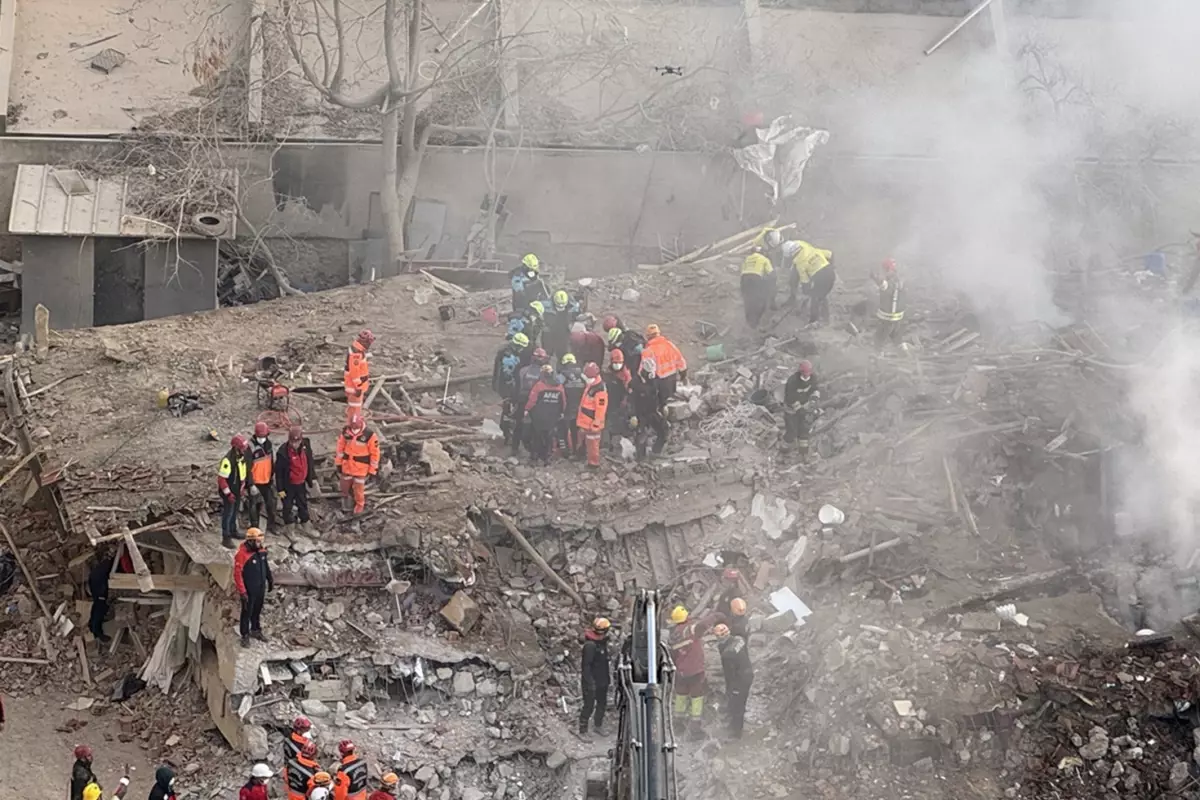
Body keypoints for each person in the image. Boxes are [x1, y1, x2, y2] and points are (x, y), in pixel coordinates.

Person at [667, 605, 721, 733]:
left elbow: (672, 655)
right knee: (697, 696)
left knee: (681, 695)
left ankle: (678, 724)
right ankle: (694, 727)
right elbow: (702, 625)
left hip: (680, 671)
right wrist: (716, 616)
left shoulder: (673, 634)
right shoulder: (689, 630)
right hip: (695, 670)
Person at [234, 527, 273, 647]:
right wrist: (242, 592)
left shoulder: (261, 552)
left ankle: (256, 630)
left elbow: (265, 566)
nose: (259, 543)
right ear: (250, 541)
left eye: (260, 541)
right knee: (247, 612)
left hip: (260, 587)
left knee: (257, 609)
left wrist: (270, 579)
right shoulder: (242, 554)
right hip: (249, 590)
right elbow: (237, 574)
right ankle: (245, 635)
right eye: (257, 541)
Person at [783, 239, 835, 326]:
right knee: (821, 295)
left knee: (815, 299)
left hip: (821, 278)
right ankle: (826, 317)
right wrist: (832, 265)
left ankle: (813, 321)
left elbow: (805, 281)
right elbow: (830, 254)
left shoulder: (800, 264)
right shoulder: (810, 249)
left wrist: (806, 292)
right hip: (830, 272)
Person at [714, 624, 753, 738]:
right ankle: (735, 725)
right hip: (748, 672)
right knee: (741, 702)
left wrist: (731, 690)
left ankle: (736, 732)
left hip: (739, 680)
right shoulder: (739, 639)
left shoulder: (727, 654)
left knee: (737, 705)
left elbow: (729, 675)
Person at [335, 415, 379, 515]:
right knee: (344, 484)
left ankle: (359, 504)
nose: (354, 428)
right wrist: (338, 463)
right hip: (347, 466)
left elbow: (375, 454)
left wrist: (373, 470)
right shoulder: (346, 432)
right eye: (352, 426)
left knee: (359, 488)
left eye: (355, 426)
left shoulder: (370, 435)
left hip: (361, 468)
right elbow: (340, 448)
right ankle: (346, 501)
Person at [493, 332, 530, 446]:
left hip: (501, 384)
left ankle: (506, 430)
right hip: (506, 387)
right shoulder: (509, 357)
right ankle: (506, 433)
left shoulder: (505, 351)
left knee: (507, 409)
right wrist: (512, 390)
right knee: (507, 409)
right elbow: (507, 374)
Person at [525, 364, 566, 466]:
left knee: (537, 436)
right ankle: (547, 458)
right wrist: (561, 412)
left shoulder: (539, 385)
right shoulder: (559, 386)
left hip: (539, 416)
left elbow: (532, 400)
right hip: (553, 416)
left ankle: (534, 457)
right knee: (549, 437)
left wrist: (526, 409)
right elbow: (563, 402)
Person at [275, 426, 315, 529]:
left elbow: (310, 462)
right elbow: (279, 472)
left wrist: (311, 479)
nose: (294, 445)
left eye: (296, 442)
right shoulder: (283, 452)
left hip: (301, 483)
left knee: (302, 503)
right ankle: (289, 526)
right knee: (287, 506)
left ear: (301, 440)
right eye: (292, 442)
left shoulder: (306, 446)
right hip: (289, 485)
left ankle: (305, 522)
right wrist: (280, 489)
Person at [511, 347, 549, 456]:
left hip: (522, 400)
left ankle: (515, 447)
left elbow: (516, 387)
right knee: (535, 427)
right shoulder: (544, 373)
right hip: (537, 403)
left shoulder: (523, 370)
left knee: (518, 424)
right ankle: (534, 452)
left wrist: (515, 400)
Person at [579, 617, 612, 738]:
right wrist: (590, 682)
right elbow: (586, 667)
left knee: (602, 703)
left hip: (602, 680)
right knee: (589, 705)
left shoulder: (601, 644)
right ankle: (583, 730)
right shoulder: (590, 646)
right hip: (591, 681)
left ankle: (598, 725)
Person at [630, 357, 667, 460]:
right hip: (640, 414)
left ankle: (656, 452)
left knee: (663, 430)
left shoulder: (655, 380)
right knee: (641, 437)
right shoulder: (635, 383)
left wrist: (663, 405)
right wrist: (632, 415)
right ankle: (640, 459)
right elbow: (631, 400)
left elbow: (660, 393)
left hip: (653, 411)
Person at [218, 435, 251, 548]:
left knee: (235, 511)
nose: (244, 450)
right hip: (229, 492)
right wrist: (228, 493)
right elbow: (222, 479)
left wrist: (242, 487)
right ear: (236, 448)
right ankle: (226, 537)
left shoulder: (240, 457)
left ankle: (233, 531)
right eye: (242, 448)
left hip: (236, 490)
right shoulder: (228, 461)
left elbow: (242, 473)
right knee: (228, 513)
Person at [641, 324, 687, 405]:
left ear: (648, 336)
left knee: (661, 404)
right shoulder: (670, 345)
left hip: (659, 382)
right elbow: (680, 359)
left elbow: (644, 370)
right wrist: (683, 373)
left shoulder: (648, 351)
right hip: (672, 378)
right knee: (671, 402)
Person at [782, 360, 820, 453]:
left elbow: (815, 389)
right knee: (792, 431)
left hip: (804, 405)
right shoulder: (793, 381)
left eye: (808, 373)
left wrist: (814, 399)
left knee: (804, 431)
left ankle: (803, 453)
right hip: (791, 409)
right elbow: (790, 398)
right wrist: (799, 409)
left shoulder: (813, 378)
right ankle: (784, 449)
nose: (807, 375)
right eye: (805, 373)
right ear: (801, 371)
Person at [576, 363, 608, 469]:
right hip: (586, 421)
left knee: (593, 444)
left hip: (592, 423)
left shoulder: (599, 389)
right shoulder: (593, 385)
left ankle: (593, 464)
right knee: (586, 441)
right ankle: (584, 457)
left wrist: (596, 423)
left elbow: (600, 409)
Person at [247, 422, 277, 531]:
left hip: (267, 481)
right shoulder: (250, 447)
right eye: (260, 437)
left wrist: (272, 477)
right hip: (255, 482)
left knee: (271, 504)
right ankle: (254, 527)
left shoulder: (268, 445)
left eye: (263, 436)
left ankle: (271, 525)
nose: (262, 438)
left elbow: (271, 462)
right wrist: (251, 484)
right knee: (254, 506)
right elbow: (247, 468)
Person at [557, 353, 587, 455]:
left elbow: (556, 386)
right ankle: (580, 450)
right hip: (580, 407)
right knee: (578, 430)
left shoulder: (562, 375)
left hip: (567, 407)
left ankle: (566, 451)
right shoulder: (582, 374)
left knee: (563, 429)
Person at [739, 246, 775, 327]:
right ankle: (756, 321)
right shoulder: (764, 259)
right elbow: (771, 273)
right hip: (755, 278)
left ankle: (748, 320)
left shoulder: (747, 258)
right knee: (758, 299)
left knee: (747, 299)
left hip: (744, 279)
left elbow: (742, 271)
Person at [343, 329, 374, 424]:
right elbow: (354, 373)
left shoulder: (358, 349)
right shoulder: (356, 353)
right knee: (355, 407)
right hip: (355, 387)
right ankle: (353, 425)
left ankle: (352, 422)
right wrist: (358, 387)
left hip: (357, 384)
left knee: (353, 408)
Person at [874, 257, 904, 348]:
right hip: (897, 316)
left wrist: (874, 277)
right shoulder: (899, 279)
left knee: (879, 338)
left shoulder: (888, 282)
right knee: (897, 339)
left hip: (888, 317)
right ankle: (906, 356)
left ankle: (877, 357)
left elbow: (882, 285)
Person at [544, 290, 581, 361]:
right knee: (548, 352)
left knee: (563, 352)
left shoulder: (573, 306)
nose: (560, 307)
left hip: (564, 333)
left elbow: (576, 314)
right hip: (550, 333)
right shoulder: (546, 305)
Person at [604, 348, 631, 439]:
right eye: (615, 363)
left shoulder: (625, 375)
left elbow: (629, 390)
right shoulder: (608, 372)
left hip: (620, 402)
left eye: (619, 363)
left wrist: (625, 400)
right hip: (610, 401)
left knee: (621, 421)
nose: (617, 365)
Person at [282, 717, 313, 794]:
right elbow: (305, 761)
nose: (308, 731)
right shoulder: (300, 747)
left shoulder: (290, 737)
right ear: (299, 731)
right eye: (306, 729)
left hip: (288, 766)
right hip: (296, 768)